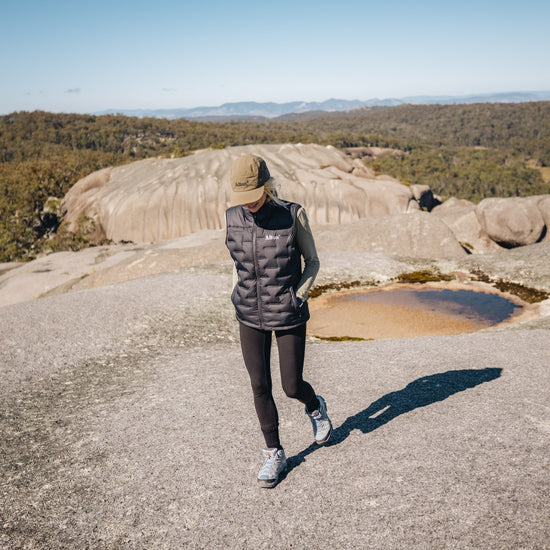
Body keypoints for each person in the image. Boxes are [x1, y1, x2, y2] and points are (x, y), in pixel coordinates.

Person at [225, 154, 332, 488]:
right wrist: (235, 292)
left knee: (290, 385)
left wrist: (296, 296)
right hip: (249, 314)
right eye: (242, 198)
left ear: (267, 186)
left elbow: (312, 261)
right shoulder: (232, 217)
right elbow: (239, 264)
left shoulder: (292, 215)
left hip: (287, 311)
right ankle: (274, 452)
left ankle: (315, 407)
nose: (249, 204)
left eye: (254, 195)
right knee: (259, 386)